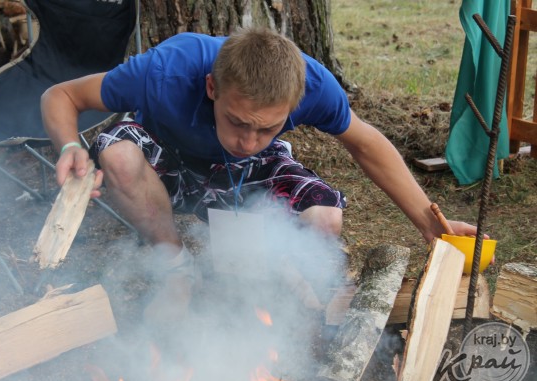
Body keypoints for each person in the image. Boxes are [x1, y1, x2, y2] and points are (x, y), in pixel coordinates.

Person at [41, 27, 477, 323]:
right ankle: (176, 267)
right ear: (212, 87)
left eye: (267, 127)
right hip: (168, 160)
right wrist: (70, 147)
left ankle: (278, 281)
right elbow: (61, 96)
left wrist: (429, 223)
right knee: (117, 153)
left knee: (324, 218)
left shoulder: (313, 85)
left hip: (247, 177)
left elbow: (366, 144)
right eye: (237, 121)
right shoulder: (166, 70)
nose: (248, 140)